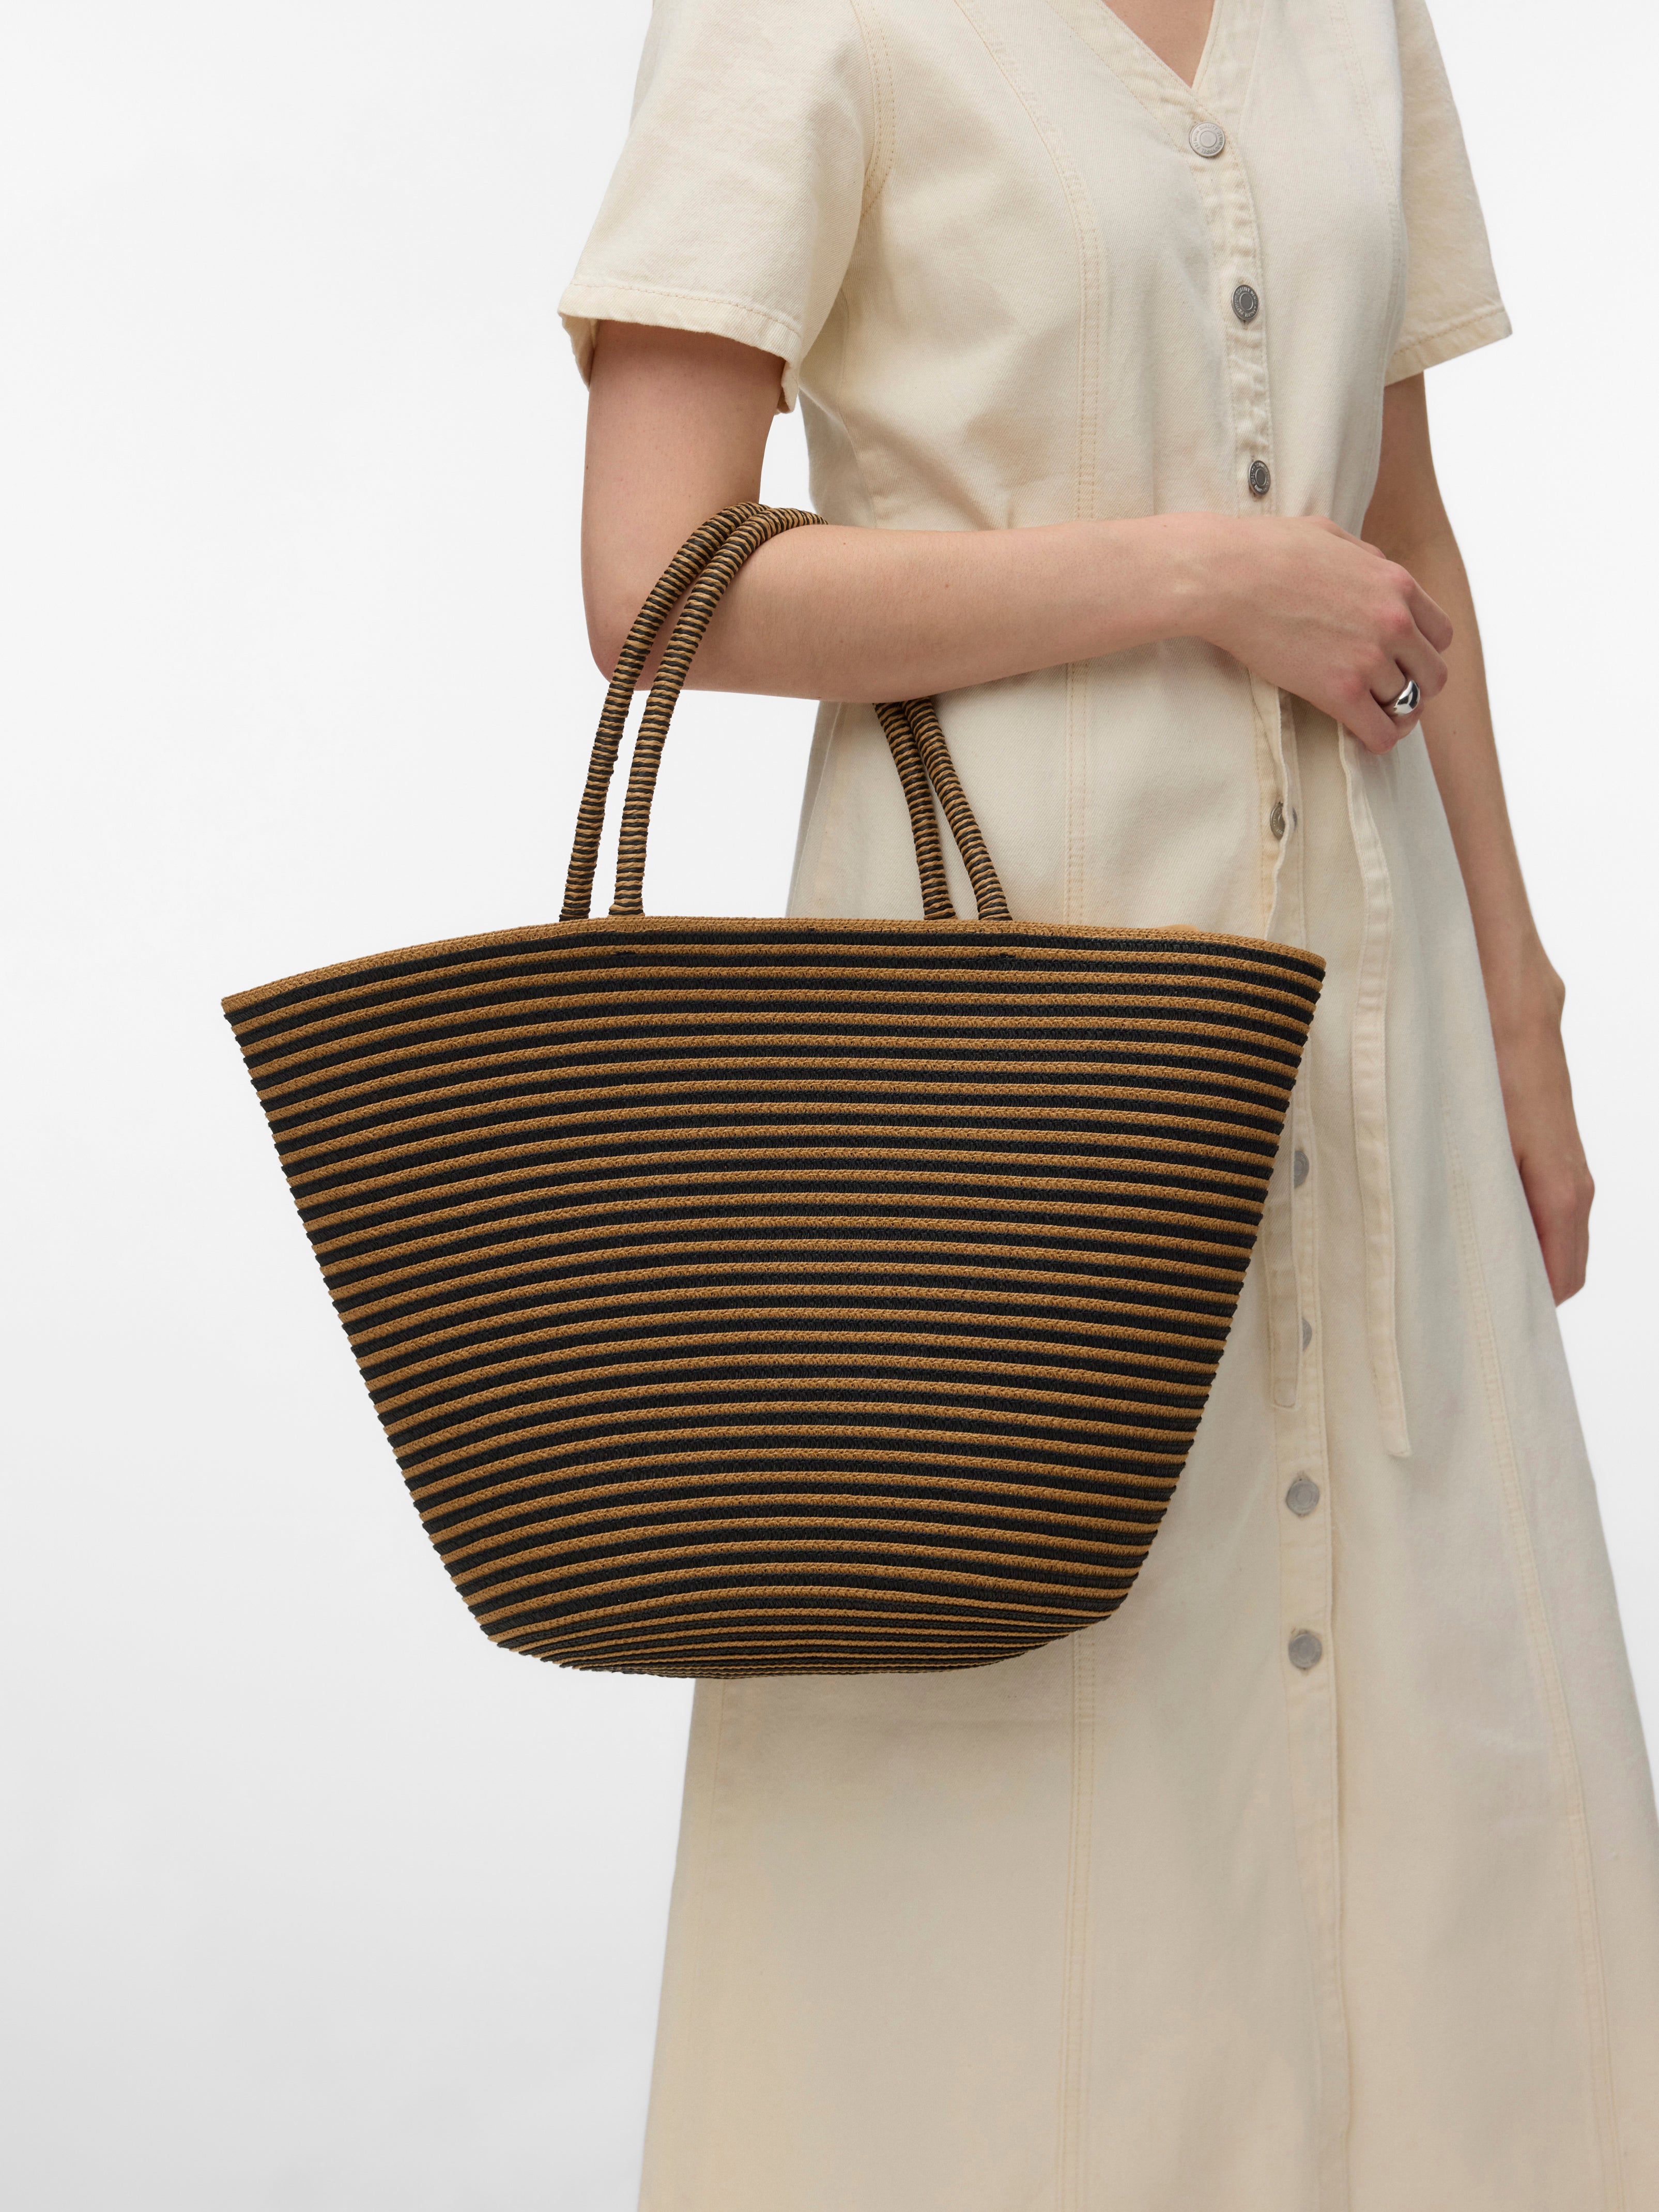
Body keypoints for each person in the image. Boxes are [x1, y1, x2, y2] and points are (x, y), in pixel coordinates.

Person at [559, 1, 1659, 2203]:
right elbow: (652, 582)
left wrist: (1519, 997)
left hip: (1374, 1020)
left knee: (1435, 1748)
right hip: (989, 1046)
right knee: (1022, 1734)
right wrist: (1185, 573)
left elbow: (1404, 538)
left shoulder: (1350, 15)